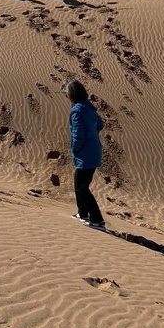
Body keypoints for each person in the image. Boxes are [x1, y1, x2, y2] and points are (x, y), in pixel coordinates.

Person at [66, 79, 105, 229]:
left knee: (82, 187)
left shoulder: (77, 111)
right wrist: (92, 134)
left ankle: (97, 219)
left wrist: (76, 149)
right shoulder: (89, 107)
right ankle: (82, 213)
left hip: (85, 154)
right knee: (79, 183)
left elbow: (77, 135)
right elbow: (100, 125)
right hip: (94, 151)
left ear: (73, 94)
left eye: (67, 94)